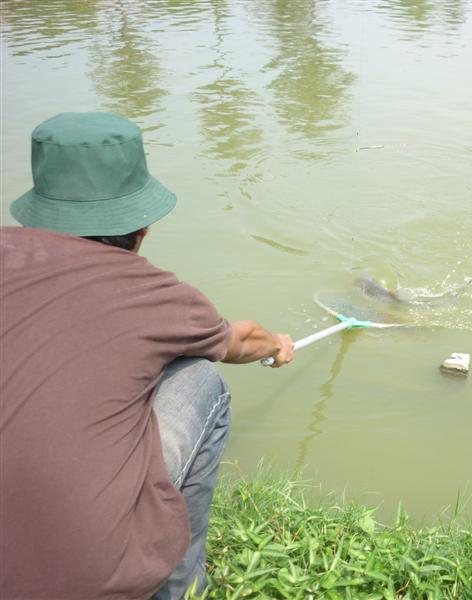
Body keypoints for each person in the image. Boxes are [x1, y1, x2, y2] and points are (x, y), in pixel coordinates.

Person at [0, 112, 294, 599]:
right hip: (85, 577)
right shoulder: (157, 295)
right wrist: (278, 344)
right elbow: (240, 342)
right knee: (201, 378)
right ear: (142, 229)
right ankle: (182, 586)